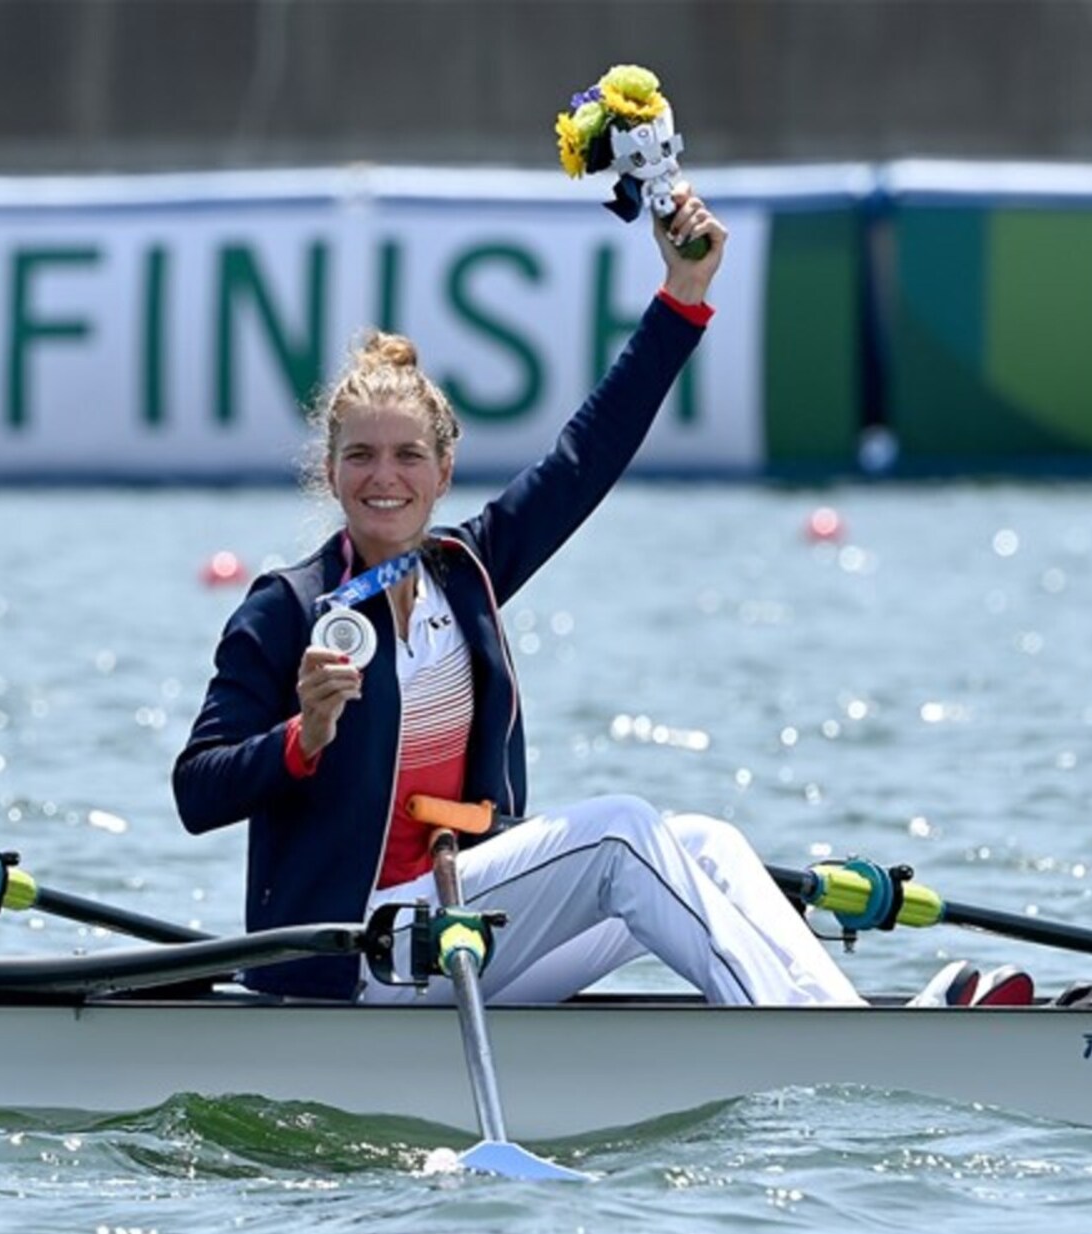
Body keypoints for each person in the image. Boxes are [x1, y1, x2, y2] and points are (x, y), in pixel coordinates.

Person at [171, 186, 865, 1007]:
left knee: (705, 842)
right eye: (360, 456)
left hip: (465, 927)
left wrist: (683, 298)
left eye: (406, 457)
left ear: (443, 472)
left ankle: (838, 1022)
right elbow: (197, 791)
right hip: (359, 957)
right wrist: (303, 736)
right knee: (618, 834)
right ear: (331, 473)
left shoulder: (469, 569)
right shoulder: (287, 608)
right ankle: (789, 1039)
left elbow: (588, 456)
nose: (383, 478)